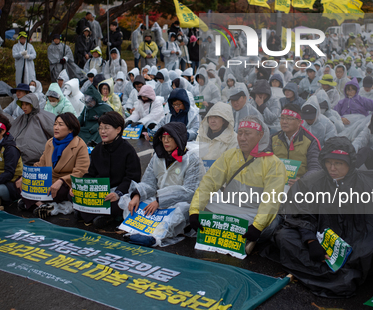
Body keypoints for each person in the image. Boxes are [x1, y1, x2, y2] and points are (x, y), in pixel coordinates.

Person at [263, 136, 373, 298]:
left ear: (349, 164)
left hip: (352, 238)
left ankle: (330, 272)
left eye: (339, 163)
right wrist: (310, 241)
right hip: (319, 235)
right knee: (284, 236)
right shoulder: (313, 182)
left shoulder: (363, 185)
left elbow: (371, 223)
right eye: (329, 162)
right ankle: (332, 272)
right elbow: (303, 215)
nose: (333, 168)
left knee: (365, 252)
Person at [189, 116, 287, 253]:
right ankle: (241, 237)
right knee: (199, 206)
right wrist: (194, 211)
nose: (242, 138)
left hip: (253, 212)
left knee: (270, 224)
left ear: (260, 136)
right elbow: (209, 182)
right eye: (240, 133)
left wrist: (258, 226)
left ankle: (242, 234)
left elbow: (270, 200)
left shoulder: (274, 164)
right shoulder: (229, 156)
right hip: (230, 206)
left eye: (247, 133)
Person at [122, 123, 204, 246]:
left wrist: (160, 200)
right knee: (128, 199)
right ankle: (134, 230)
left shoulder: (192, 159)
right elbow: (149, 183)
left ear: (179, 138)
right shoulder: (157, 157)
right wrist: (137, 195)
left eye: (170, 137)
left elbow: (189, 192)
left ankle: (156, 238)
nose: (166, 141)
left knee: (181, 210)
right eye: (163, 137)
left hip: (178, 202)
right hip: (158, 201)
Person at [19, 112, 90, 219]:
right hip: (48, 181)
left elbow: (81, 172)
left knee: (60, 191)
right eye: (55, 124)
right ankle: (42, 206)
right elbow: (40, 164)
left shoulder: (80, 145)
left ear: (70, 129)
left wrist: (61, 180)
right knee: (21, 185)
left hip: (66, 184)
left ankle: (33, 203)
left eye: (60, 125)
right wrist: (26, 176)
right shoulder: (50, 143)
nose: (56, 128)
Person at [79, 112, 141, 228]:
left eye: (107, 128)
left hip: (118, 194)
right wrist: (79, 187)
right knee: (72, 195)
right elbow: (91, 174)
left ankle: (106, 216)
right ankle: (98, 215)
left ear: (118, 129)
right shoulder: (97, 149)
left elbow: (132, 178)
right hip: (100, 193)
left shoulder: (128, 150)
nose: (102, 131)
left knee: (119, 204)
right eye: (100, 128)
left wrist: (117, 193)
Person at [271, 105, 321, 180]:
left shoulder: (310, 141)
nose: (284, 122)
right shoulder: (273, 139)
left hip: (301, 184)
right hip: (276, 181)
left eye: (289, 119)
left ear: (299, 122)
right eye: (282, 118)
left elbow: (315, 168)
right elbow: (266, 162)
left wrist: (302, 181)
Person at [10, 93, 55, 165]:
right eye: (22, 104)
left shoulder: (44, 118)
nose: (24, 107)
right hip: (16, 158)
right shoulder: (20, 119)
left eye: (27, 104)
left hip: (36, 160)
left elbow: (55, 133)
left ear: (33, 104)